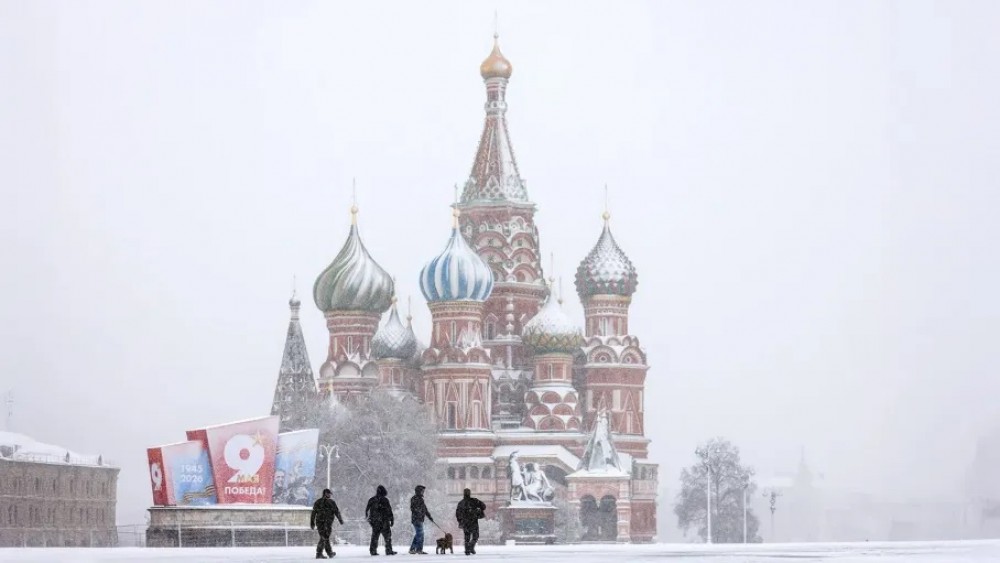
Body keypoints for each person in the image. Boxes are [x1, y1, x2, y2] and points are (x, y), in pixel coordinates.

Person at [310, 488, 344, 559]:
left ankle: (329, 553)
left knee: (325, 537)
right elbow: (336, 512)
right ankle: (319, 553)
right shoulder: (330, 502)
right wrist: (340, 520)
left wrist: (312, 522)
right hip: (325, 522)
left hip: (322, 523)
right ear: (325, 493)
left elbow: (313, 513)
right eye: (329, 494)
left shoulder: (318, 502)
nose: (330, 495)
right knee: (324, 537)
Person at [366, 484, 396, 556]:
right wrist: (392, 519)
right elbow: (389, 510)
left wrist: (369, 519)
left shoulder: (372, 500)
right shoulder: (385, 500)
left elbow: (367, 510)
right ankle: (389, 550)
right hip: (384, 521)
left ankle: (373, 550)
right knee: (387, 536)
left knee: (375, 536)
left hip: (375, 521)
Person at [455, 488, 486, 555]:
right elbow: (483, 506)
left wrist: (460, 521)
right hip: (473, 522)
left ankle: (467, 550)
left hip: (465, 523)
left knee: (467, 537)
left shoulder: (461, 503)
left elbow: (457, 514)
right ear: (469, 493)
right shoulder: (474, 501)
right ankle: (470, 547)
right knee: (475, 536)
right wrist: (478, 509)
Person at [409, 485, 435, 554]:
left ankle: (412, 549)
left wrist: (430, 517)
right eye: (422, 491)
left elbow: (425, 509)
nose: (423, 492)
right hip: (416, 519)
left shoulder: (421, 499)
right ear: (419, 491)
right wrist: (419, 512)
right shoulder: (414, 499)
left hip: (419, 519)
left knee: (419, 534)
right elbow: (413, 508)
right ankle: (418, 550)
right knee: (420, 534)